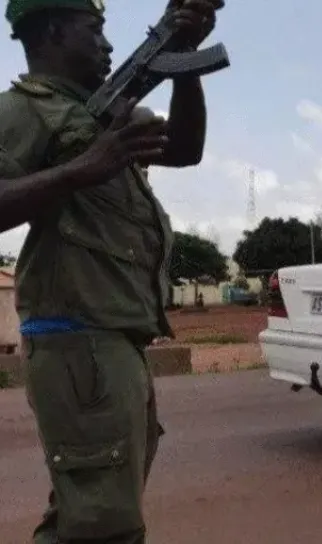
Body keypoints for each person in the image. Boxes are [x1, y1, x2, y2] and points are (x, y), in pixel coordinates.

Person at [0, 0, 223, 542]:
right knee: (104, 525)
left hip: (112, 341)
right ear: (54, 30)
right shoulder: (22, 111)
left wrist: (184, 58)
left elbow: (186, 149)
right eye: (95, 30)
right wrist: (84, 168)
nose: (107, 45)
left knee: (87, 514)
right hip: (80, 342)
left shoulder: (104, 113)